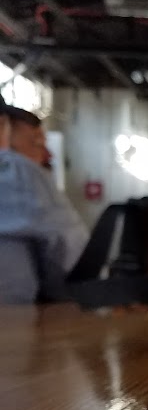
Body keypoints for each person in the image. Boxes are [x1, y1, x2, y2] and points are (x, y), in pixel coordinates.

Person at [0, 103, 89, 304]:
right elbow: (73, 261)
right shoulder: (18, 171)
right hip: (13, 316)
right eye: (36, 143)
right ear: (3, 126)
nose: (48, 155)